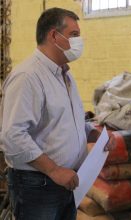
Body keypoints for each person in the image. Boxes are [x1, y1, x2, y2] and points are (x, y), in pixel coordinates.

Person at [0, 7, 114, 220]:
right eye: (74, 35)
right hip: (38, 185)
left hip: (66, 182)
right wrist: (53, 170)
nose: (79, 41)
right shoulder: (28, 77)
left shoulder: (64, 74)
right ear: (54, 35)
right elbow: (13, 136)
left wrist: (94, 134)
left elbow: (68, 120)